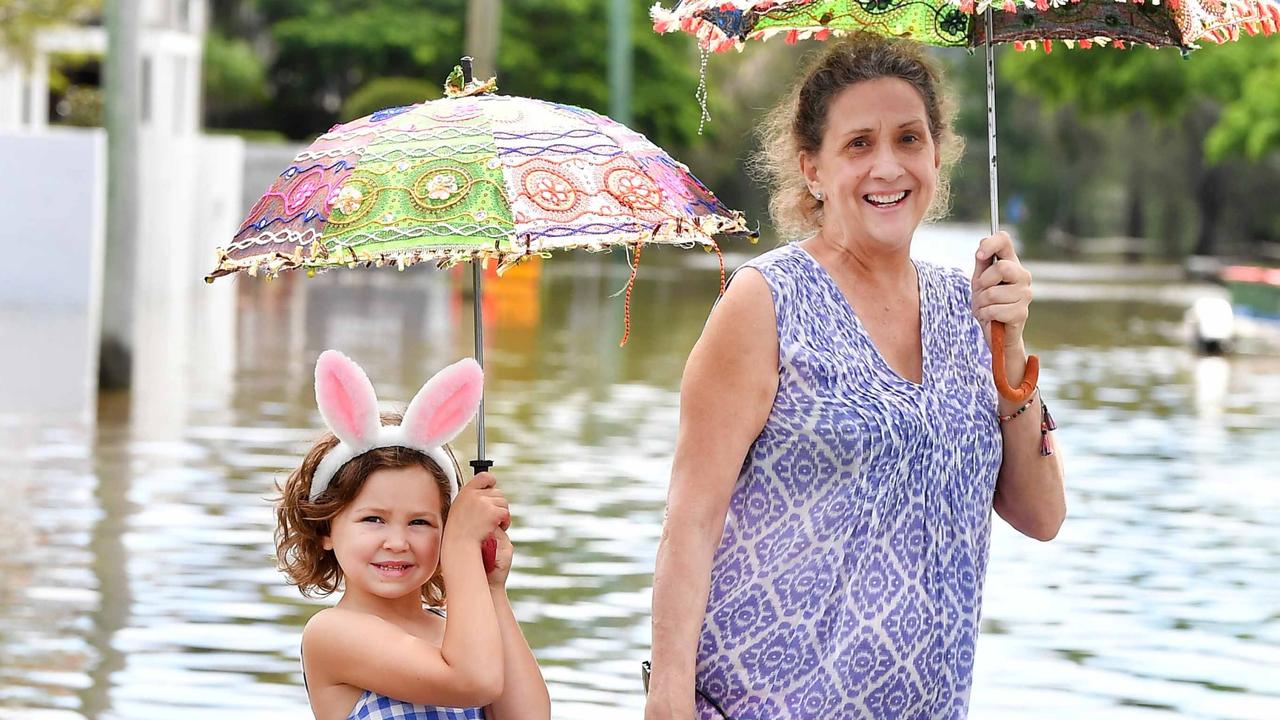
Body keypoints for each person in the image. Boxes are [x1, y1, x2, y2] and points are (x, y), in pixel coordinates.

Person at [646, 35, 1067, 720]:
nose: (888, 166)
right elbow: (690, 522)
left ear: (937, 156)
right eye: (859, 144)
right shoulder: (766, 302)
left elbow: (1042, 516)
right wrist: (667, 706)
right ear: (812, 169)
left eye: (908, 138)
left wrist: (1011, 347)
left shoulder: (973, 309)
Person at [276, 350, 551, 720]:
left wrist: (490, 588)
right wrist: (460, 546)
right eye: (373, 519)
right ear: (325, 527)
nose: (397, 542)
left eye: (420, 522)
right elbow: (473, 682)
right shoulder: (332, 633)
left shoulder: (456, 632)